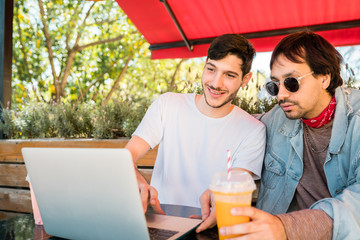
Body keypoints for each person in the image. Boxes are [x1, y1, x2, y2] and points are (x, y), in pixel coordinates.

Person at [197, 31, 360, 239]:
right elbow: (236, 126)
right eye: (275, 85)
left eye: (292, 82)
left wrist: (286, 227)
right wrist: (224, 191)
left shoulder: (356, 121)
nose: (281, 95)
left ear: (324, 78)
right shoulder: (276, 120)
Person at [125, 34, 266, 214]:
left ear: (245, 79)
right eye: (211, 69)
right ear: (204, 66)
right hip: (160, 220)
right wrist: (134, 176)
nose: (216, 83)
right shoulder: (167, 104)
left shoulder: (253, 130)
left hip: (212, 226)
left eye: (229, 75)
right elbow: (128, 154)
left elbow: (235, 185)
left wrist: (221, 198)